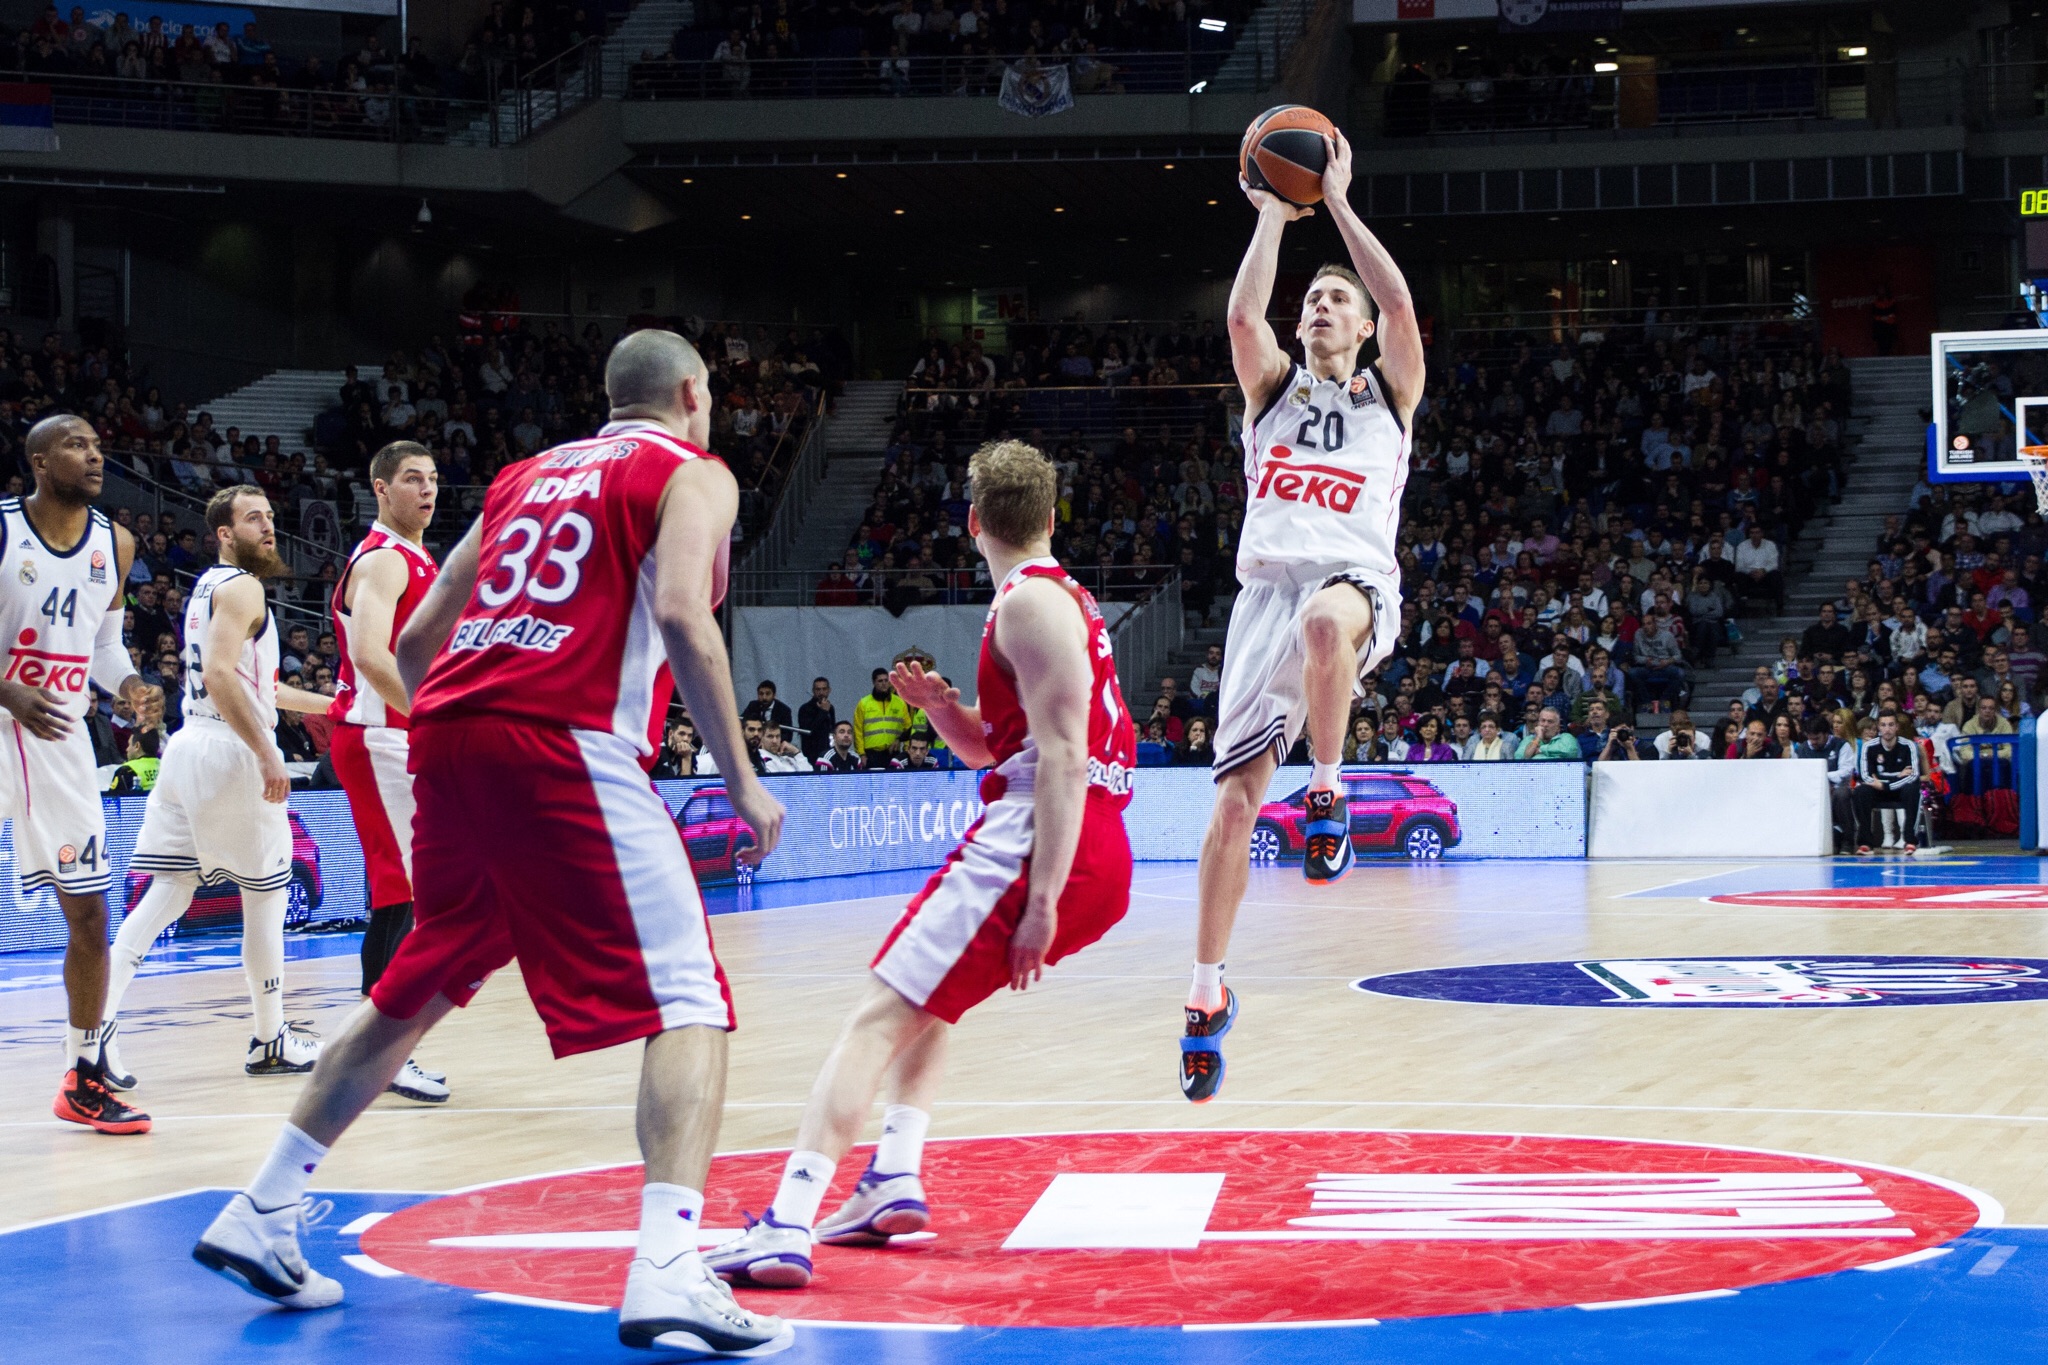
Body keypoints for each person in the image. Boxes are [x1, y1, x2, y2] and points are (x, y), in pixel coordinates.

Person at [192, 329, 796, 1356]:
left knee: (417, 983)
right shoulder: (693, 472)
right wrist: (740, 778)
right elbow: (688, 617)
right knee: (689, 996)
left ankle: (264, 1204)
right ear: (694, 395)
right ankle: (667, 1268)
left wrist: (471, 728)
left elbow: (421, 638)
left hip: (449, 736)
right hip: (562, 738)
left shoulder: (527, 472)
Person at [705, 438, 1135, 1289]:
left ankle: (786, 1220)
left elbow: (1061, 757)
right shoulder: (1063, 599)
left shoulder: (1028, 605)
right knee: (931, 1000)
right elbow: (999, 744)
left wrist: (1041, 897)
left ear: (973, 521)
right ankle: (893, 1173)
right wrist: (943, 709)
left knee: (878, 1012)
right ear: (1052, 517)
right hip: (1082, 838)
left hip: (1045, 836)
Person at [1182, 126, 1423, 1103]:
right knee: (1231, 808)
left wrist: (1340, 201)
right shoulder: (1273, 391)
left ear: (1361, 329)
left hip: (1353, 593)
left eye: (1336, 302)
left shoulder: (1388, 395)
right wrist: (1274, 216)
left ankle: (1326, 791)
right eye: (1311, 299)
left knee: (1327, 623)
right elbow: (1243, 319)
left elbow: (1401, 300)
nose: (1319, 306)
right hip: (1262, 602)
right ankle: (1204, 996)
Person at [100, 487, 338, 1086]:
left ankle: (93, 1030)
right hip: (231, 753)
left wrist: (335, 707)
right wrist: (267, 754)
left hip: (190, 747)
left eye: (271, 517)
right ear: (224, 533)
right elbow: (219, 675)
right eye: (254, 518)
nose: (269, 526)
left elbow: (259, 687)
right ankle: (269, 1038)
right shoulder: (245, 587)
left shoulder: (209, 586)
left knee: (166, 894)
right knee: (266, 897)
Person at [2, 415, 163, 1133]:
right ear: (38, 461)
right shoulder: (4, 529)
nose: (95, 454)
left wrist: (128, 685)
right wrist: (6, 689)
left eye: (99, 444)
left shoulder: (115, 543)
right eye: (75, 444)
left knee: (92, 913)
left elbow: (104, 644)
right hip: (8, 714)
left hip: (61, 737)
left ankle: (84, 1073)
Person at [323, 440, 448, 1105]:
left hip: (391, 735)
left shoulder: (420, 557)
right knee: (409, 894)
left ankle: (375, 1048)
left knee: (407, 893)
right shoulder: (383, 560)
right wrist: (430, 716)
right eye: (411, 479)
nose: (426, 489)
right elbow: (372, 657)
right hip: (380, 737)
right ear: (379, 488)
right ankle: (380, 1053)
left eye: (432, 478)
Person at [1854, 712, 1922, 853]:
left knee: (1912, 789)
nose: (1887, 729)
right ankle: (1866, 843)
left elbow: (1913, 775)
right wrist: (1898, 776)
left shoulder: (1908, 746)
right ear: (1878, 727)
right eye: (1883, 725)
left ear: (1897, 727)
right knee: (1861, 791)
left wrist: (1886, 784)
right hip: (1878, 791)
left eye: (1891, 725)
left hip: (1900, 791)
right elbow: (1866, 776)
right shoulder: (1869, 746)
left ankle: (1910, 841)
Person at [853, 666, 911, 764]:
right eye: (880, 681)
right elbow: (858, 731)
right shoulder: (864, 703)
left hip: (893, 753)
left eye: (886, 680)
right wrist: (862, 754)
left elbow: (908, 728)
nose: (884, 684)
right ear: (874, 682)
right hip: (871, 754)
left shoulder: (900, 703)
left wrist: (906, 751)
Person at [796, 675, 836, 761]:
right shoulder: (805, 709)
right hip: (811, 754)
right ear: (813, 691)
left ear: (829, 690)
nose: (821, 693)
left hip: (828, 752)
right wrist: (823, 712)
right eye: (818, 689)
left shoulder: (830, 708)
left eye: (824, 689)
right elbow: (809, 731)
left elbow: (832, 729)